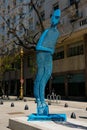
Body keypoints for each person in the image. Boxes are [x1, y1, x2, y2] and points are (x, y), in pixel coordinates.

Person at [34, 9, 61, 115]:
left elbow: (52, 45)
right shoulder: (46, 31)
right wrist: (49, 50)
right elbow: (38, 46)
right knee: (40, 76)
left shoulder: (57, 33)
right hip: (41, 55)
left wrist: (51, 51)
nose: (55, 19)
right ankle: (40, 100)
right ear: (52, 18)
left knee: (48, 74)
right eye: (54, 17)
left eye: (58, 17)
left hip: (48, 56)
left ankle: (41, 98)